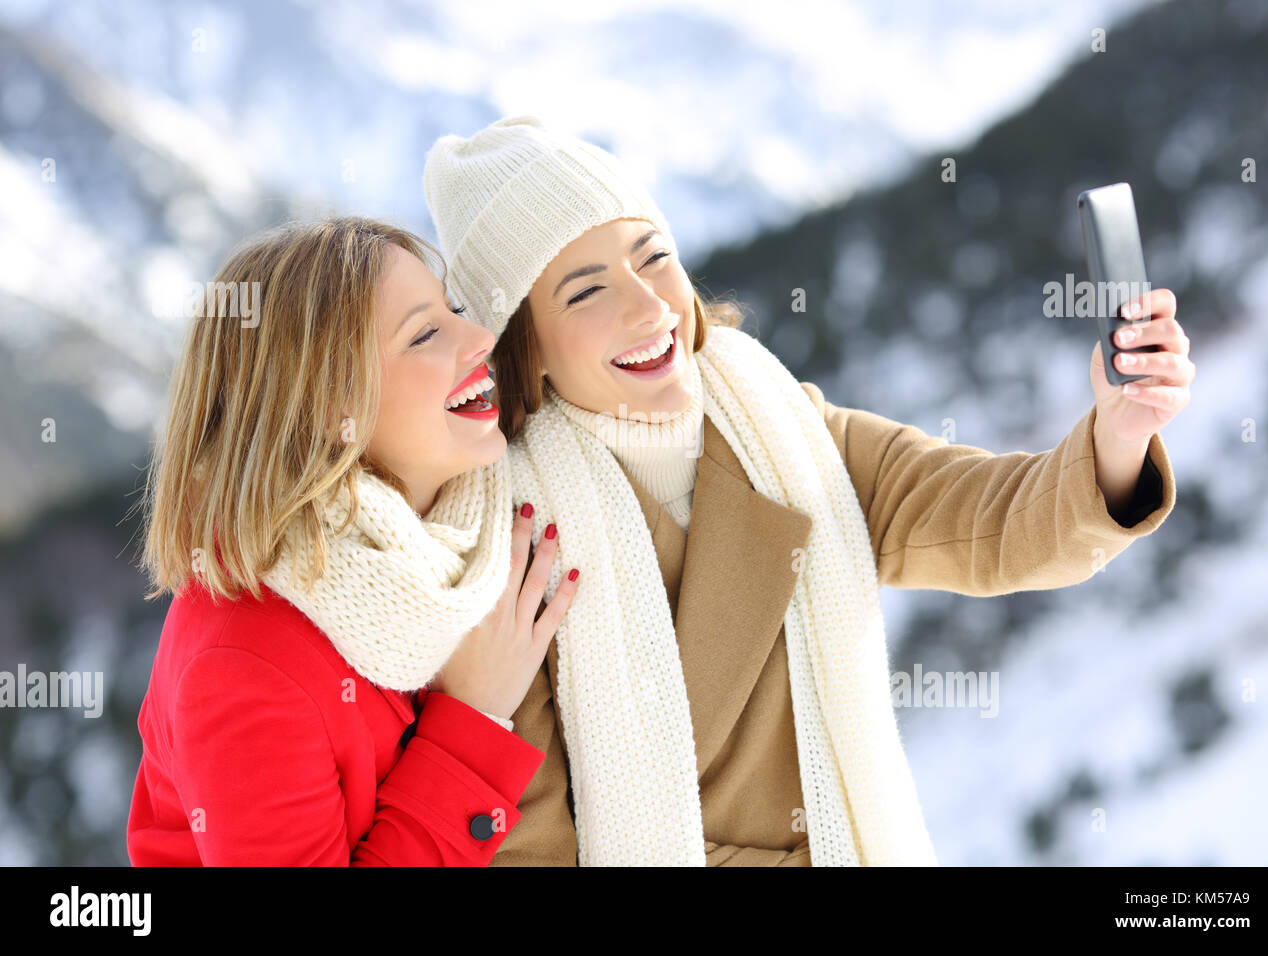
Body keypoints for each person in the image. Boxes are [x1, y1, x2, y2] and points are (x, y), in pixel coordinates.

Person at [421, 115, 1192, 866]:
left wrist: (1117, 435)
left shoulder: (784, 429)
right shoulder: (512, 542)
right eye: (585, 293)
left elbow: (994, 524)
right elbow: (529, 845)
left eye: (653, 255)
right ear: (525, 347)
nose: (650, 305)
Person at [126, 216, 579, 865]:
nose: (480, 337)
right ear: (329, 407)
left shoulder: (466, 532)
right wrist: (473, 722)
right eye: (426, 333)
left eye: (453, 310)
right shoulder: (243, 657)